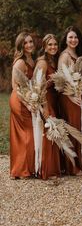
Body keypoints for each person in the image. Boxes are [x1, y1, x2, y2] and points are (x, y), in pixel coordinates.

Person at [58, 26, 82, 176]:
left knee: (78, 128)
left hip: (77, 95)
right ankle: (71, 167)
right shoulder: (65, 55)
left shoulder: (77, 54)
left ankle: (79, 163)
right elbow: (61, 81)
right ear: (66, 39)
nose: (73, 40)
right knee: (72, 129)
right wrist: (71, 97)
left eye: (75, 37)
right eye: (70, 37)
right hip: (69, 98)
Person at [9, 32, 35, 179]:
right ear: (21, 45)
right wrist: (27, 103)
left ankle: (25, 168)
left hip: (28, 98)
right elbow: (15, 87)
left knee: (26, 136)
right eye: (25, 43)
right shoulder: (20, 62)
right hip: (19, 100)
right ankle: (20, 170)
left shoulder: (31, 59)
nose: (29, 45)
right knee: (26, 135)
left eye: (30, 42)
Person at [35, 34, 61, 179]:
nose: (53, 47)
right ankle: (46, 170)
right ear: (44, 47)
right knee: (49, 132)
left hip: (53, 99)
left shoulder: (53, 61)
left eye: (55, 44)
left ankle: (54, 168)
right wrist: (45, 107)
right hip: (46, 100)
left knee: (54, 132)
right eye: (50, 45)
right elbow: (39, 87)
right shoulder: (43, 63)